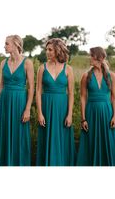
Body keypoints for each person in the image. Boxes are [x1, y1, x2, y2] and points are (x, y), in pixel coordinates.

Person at [76, 47, 115, 166]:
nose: (90, 58)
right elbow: (82, 97)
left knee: (109, 142)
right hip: (91, 113)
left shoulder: (111, 76)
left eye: (92, 55)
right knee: (90, 143)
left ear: (100, 58)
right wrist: (83, 118)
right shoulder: (86, 76)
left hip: (107, 114)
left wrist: (114, 116)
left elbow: (114, 97)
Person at [0, 35, 34, 166]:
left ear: (16, 45)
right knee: (4, 133)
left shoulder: (27, 62)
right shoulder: (3, 63)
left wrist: (27, 109)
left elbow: (32, 87)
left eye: (6, 44)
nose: (4, 46)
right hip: (5, 101)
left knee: (19, 134)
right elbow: (1, 85)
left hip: (19, 102)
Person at [36, 38, 76, 166]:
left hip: (62, 108)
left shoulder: (68, 69)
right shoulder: (42, 68)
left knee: (62, 139)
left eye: (50, 50)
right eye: (46, 49)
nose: (47, 52)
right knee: (46, 138)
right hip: (47, 107)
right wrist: (40, 113)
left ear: (58, 51)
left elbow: (71, 93)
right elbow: (38, 92)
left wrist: (70, 114)